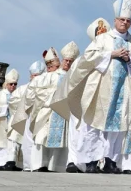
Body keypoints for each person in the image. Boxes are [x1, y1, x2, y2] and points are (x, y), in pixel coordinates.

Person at [63, 0, 131, 174]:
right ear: (115, 19)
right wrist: (112, 54)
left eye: (128, 20)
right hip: (101, 87)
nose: (125, 22)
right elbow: (88, 57)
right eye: (122, 19)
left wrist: (129, 59)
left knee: (117, 127)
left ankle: (110, 161)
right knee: (94, 124)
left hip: (123, 88)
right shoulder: (102, 39)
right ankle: (91, 161)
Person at [29, 48, 69, 172]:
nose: (52, 68)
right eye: (51, 65)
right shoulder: (42, 78)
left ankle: (53, 165)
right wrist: (51, 96)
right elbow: (34, 92)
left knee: (56, 139)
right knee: (41, 137)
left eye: (54, 65)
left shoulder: (64, 76)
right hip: (45, 110)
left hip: (59, 112)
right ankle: (39, 165)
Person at [50, 40, 83, 172]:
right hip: (55, 110)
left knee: (70, 137)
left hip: (71, 108)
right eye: (66, 60)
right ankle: (50, 165)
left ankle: (67, 164)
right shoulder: (52, 76)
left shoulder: (75, 73)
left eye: (70, 61)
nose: (67, 63)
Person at [15, 60, 47, 172]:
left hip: (42, 115)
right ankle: (28, 165)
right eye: (34, 75)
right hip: (30, 114)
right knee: (28, 140)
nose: (36, 77)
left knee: (40, 140)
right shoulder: (25, 87)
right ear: (30, 76)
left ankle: (39, 164)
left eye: (38, 75)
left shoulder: (46, 84)